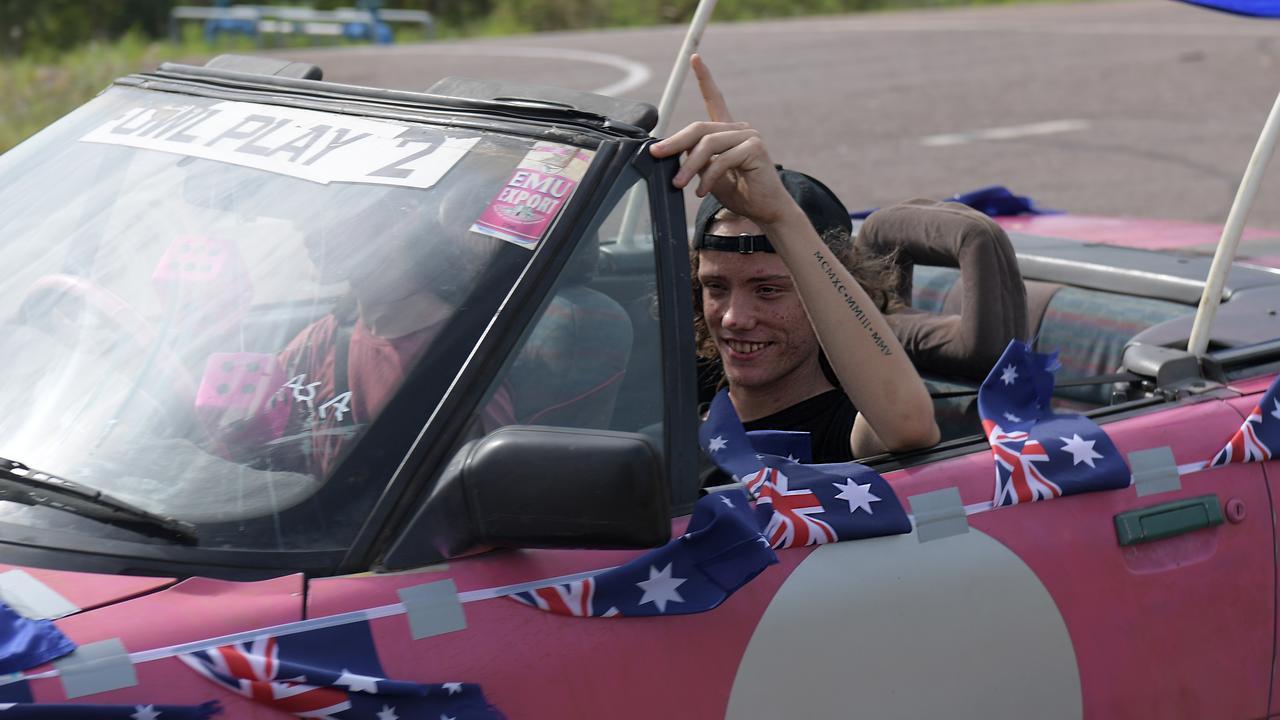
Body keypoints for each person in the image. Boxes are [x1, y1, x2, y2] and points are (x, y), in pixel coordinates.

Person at [651, 56, 940, 462]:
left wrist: (781, 218)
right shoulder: (674, 405)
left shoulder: (844, 428)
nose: (734, 318)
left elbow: (910, 426)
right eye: (716, 286)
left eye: (768, 290)